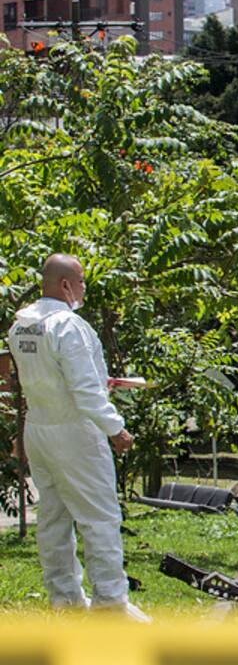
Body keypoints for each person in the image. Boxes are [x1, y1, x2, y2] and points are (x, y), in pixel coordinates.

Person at [6, 254, 147, 621]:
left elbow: (31, 381)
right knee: (99, 519)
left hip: (39, 428)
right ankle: (110, 605)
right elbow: (85, 390)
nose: (84, 288)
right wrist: (116, 428)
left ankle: (65, 601)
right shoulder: (68, 326)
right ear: (66, 285)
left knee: (53, 520)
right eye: (81, 281)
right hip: (76, 433)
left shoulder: (21, 326)